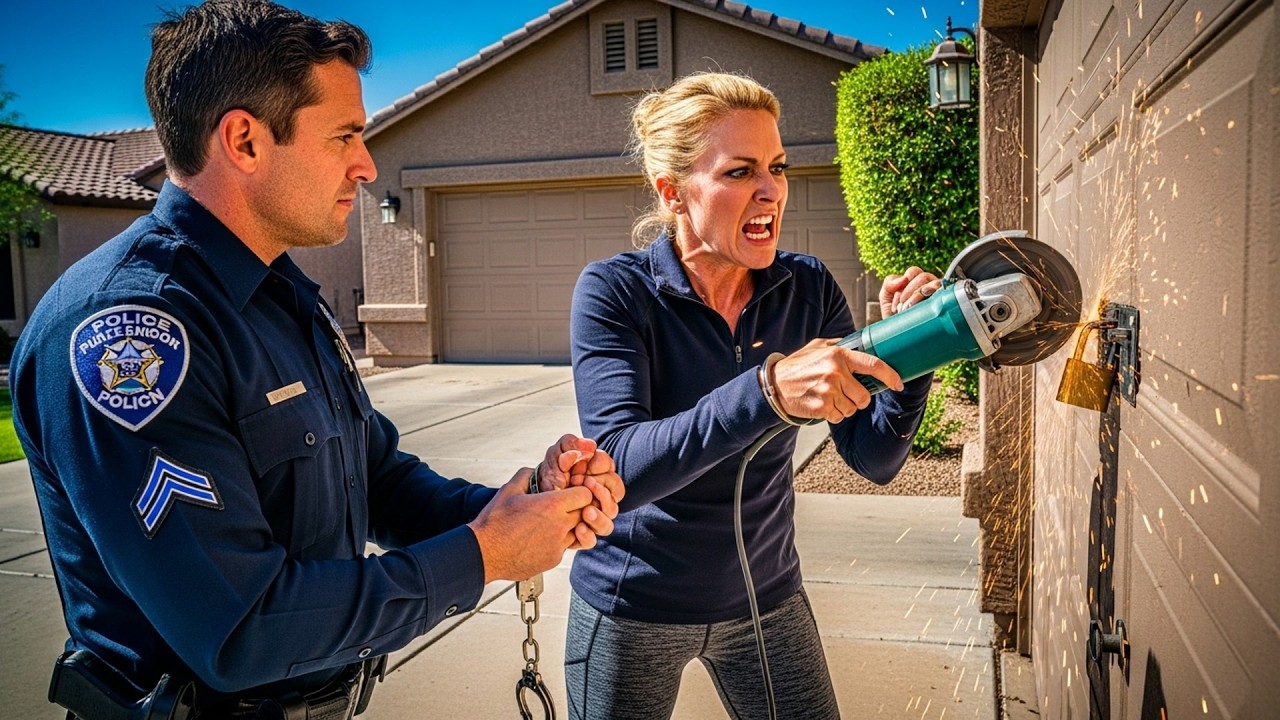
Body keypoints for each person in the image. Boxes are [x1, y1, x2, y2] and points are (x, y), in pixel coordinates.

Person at [8, 2, 622, 718]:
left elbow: (376, 479)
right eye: (345, 136)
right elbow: (241, 628)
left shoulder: (279, 296)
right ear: (244, 140)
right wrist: (483, 555)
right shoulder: (129, 335)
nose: (365, 166)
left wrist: (516, 509)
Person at [556, 72, 941, 719]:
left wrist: (916, 348)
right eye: (739, 172)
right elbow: (618, 462)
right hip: (634, 606)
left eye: (778, 167)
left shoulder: (808, 287)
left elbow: (874, 457)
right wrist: (767, 391)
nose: (771, 191)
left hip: (768, 602)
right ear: (673, 192)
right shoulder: (615, 293)